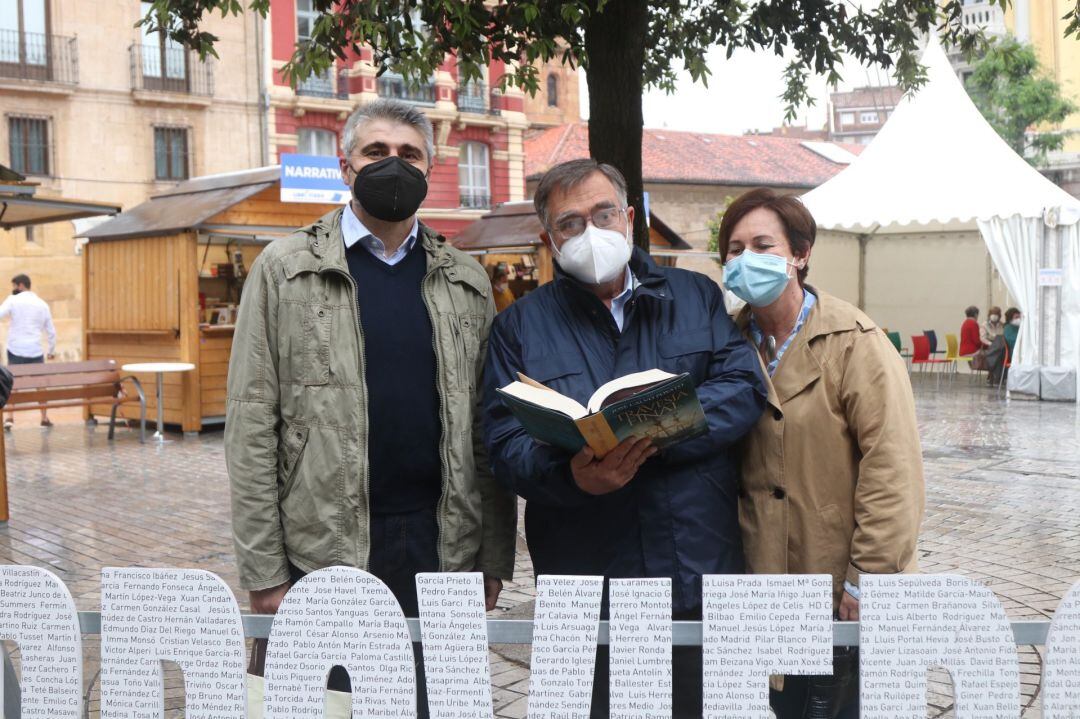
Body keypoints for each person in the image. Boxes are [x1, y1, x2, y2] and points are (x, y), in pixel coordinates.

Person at [225, 99, 517, 718]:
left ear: (431, 169)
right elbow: (251, 422)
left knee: (432, 703)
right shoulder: (284, 269)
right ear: (345, 165)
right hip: (322, 545)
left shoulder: (465, 277)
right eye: (375, 152)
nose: (393, 165)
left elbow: (485, 433)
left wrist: (493, 554)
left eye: (409, 154)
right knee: (326, 706)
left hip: (442, 543)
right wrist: (264, 569)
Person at [482, 159, 767, 718]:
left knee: (700, 706)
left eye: (602, 213)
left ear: (629, 218)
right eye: (569, 223)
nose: (589, 231)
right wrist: (574, 477)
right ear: (549, 237)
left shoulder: (695, 296)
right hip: (582, 575)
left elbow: (742, 388)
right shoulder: (518, 325)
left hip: (693, 565)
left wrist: (656, 434)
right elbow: (503, 440)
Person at [717, 188, 925, 719]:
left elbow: (892, 465)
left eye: (763, 244)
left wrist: (868, 577)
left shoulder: (855, 341)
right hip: (754, 574)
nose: (747, 259)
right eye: (736, 249)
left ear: (801, 253)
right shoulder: (725, 343)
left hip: (833, 574)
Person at [0, 274, 56, 428]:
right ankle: (44, 417)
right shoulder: (42, 304)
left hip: (15, 349)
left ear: (20, 285)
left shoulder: (13, 300)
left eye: (14, 286)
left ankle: (10, 418)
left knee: (12, 384)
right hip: (35, 350)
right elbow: (51, 331)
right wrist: (51, 350)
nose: (13, 290)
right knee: (40, 385)